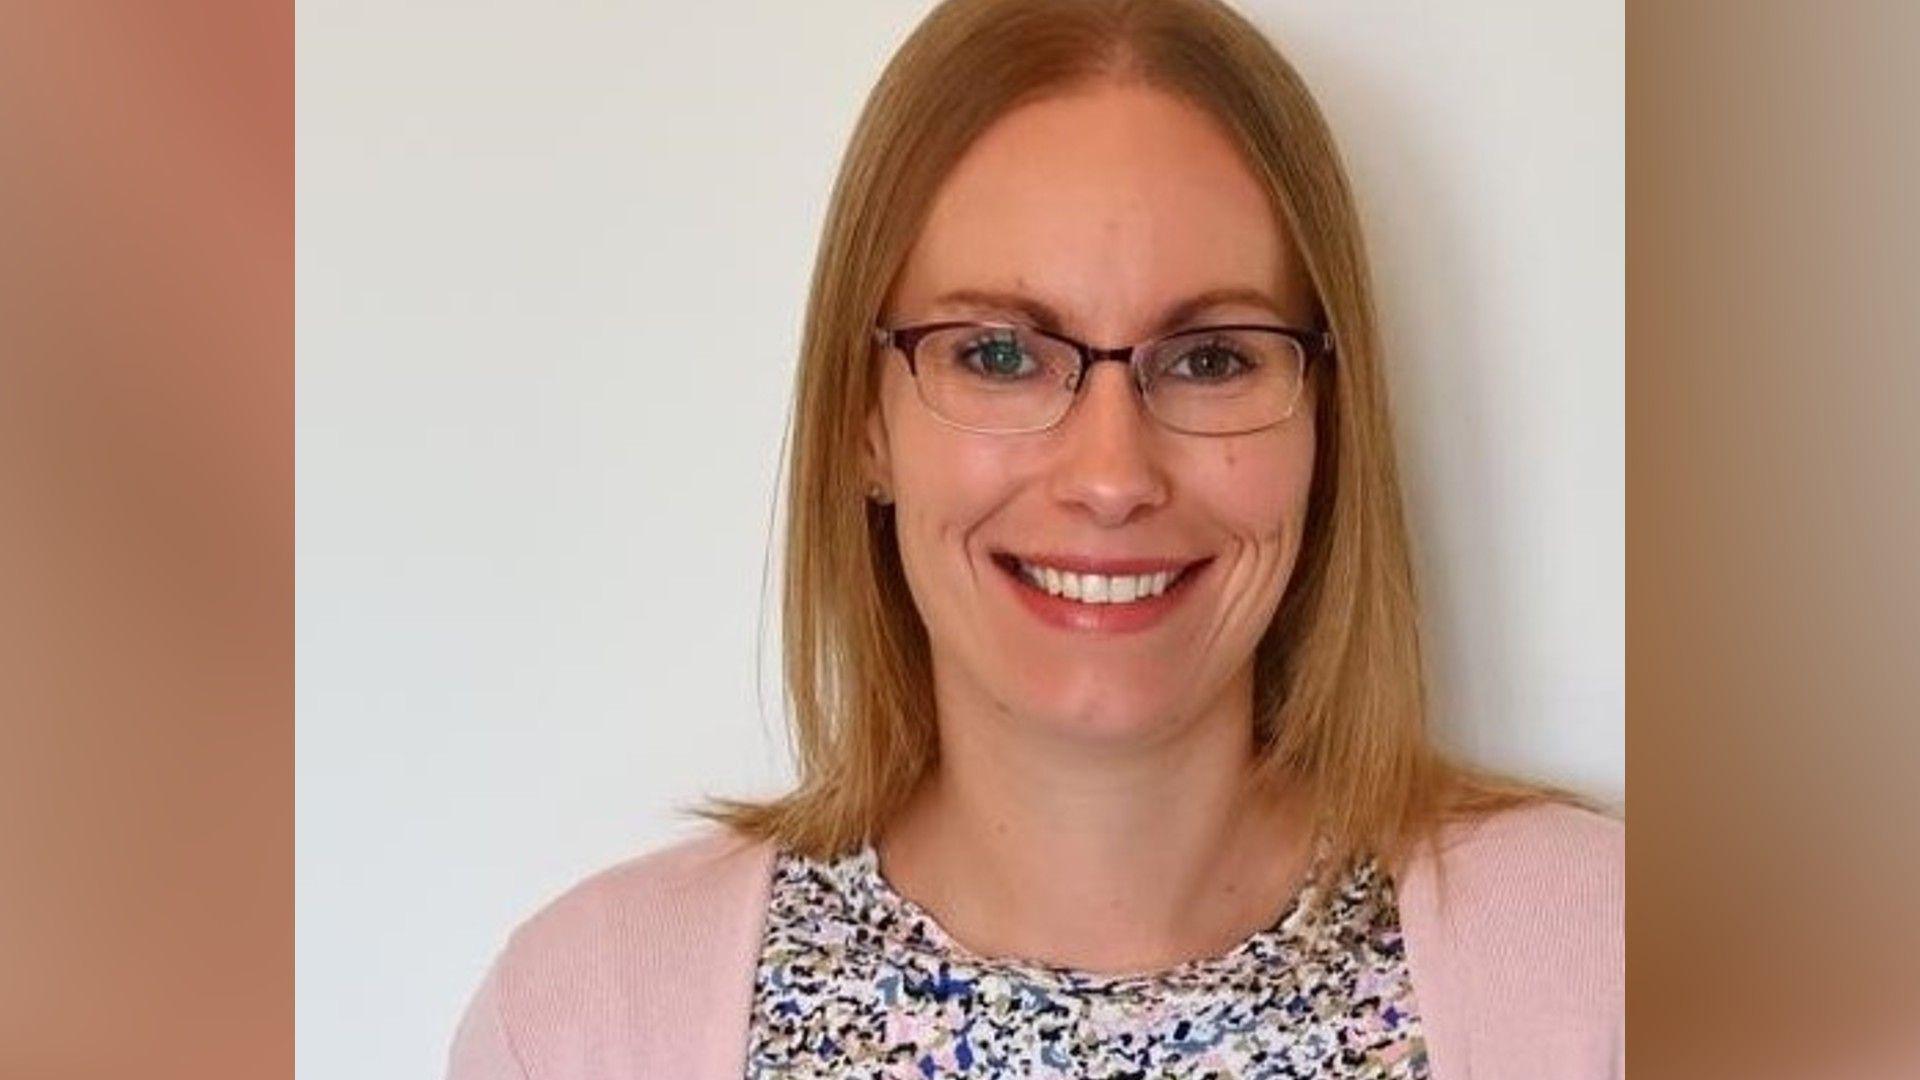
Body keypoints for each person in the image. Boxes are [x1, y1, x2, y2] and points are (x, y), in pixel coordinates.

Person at [446, 1, 1622, 1077]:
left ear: (1327, 415)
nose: (1112, 477)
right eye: (998, 353)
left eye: (1212, 358)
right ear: (864, 422)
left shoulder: (1615, 977)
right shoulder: (582, 1025)